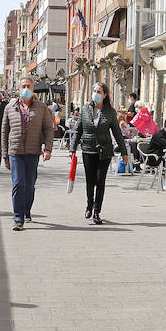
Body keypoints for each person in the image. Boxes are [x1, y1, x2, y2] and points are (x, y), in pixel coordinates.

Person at [69, 82, 130, 224]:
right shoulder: (85, 109)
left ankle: (97, 211)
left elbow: (117, 133)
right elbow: (78, 130)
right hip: (88, 150)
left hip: (105, 151)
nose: (96, 94)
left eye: (99, 91)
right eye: (94, 90)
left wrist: (124, 152)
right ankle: (89, 206)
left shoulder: (110, 112)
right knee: (90, 181)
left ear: (105, 95)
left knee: (100, 181)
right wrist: (72, 149)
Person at [1, 77, 54, 231]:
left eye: (28, 86)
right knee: (18, 183)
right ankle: (18, 218)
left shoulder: (41, 107)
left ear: (33, 89)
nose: (25, 88)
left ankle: (26, 209)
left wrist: (48, 149)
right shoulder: (10, 107)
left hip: (33, 151)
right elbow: (4, 131)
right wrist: (4, 155)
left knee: (30, 185)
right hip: (15, 151)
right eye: (23, 86)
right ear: (19, 89)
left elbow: (48, 129)